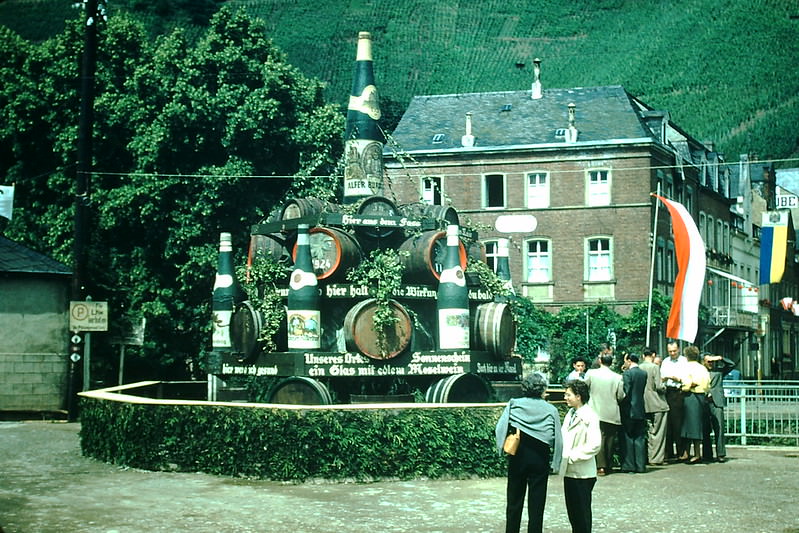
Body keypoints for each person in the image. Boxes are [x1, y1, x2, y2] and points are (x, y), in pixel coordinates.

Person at [495, 373, 563, 533]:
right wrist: (556, 462)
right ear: (542, 389)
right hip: (540, 456)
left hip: (518, 455)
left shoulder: (514, 404)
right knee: (537, 503)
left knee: (514, 501)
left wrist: (500, 449)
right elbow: (557, 438)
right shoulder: (551, 409)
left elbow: (500, 428)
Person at [560, 379, 601, 533]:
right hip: (569, 471)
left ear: (579, 396)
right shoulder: (570, 414)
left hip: (583, 473)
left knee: (582, 515)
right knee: (573, 514)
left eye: (568, 394)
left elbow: (595, 444)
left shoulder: (590, 416)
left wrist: (572, 456)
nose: (565, 397)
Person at [583, 353, 624, 475]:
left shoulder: (591, 373)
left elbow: (584, 388)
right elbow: (620, 395)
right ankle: (609, 464)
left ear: (600, 360)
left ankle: (600, 466)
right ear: (611, 362)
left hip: (595, 410)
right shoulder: (617, 377)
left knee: (598, 438)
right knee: (610, 439)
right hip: (612, 411)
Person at [679, 345, 709, 464]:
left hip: (690, 396)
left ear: (686, 356)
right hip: (701, 396)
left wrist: (686, 387)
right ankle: (693, 453)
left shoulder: (686, 367)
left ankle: (694, 453)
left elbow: (686, 383)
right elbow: (707, 384)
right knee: (695, 424)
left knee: (689, 425)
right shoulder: (702, 368)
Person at [640, 347, 669, 465]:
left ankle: (648, 456)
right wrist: (665, 386)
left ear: (642, 356)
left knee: (649, 431)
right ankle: (656, 458)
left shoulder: (639, 367)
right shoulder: (655, 367)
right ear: (653, 355)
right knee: (659, 433)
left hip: (644, 404)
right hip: (657, 403)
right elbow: (658, 386)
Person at [703, 354, 735, 462]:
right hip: (704, 402)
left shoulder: (719, 371)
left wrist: (720, 358)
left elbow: (732, 364)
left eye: (712, 362)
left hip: (716, 402)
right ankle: (707, 454)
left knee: (719, 428)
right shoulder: (700, 371)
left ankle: (720, 454)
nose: (710, 364)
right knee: (705, 429)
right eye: (708, 361)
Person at [620, 353, 648, 473]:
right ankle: (641, 465)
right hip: (640, 408)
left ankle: (629, 465)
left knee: (628, 437)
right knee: (640, 437)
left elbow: (626, 391)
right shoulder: (643, 373)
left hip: (629, 409)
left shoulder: (627, 374)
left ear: (629, 361)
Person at [660, 341, 687, 461]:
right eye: (670, 351)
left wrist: (678, 379)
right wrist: (665, 378)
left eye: (674, 351)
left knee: (678, 423)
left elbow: (687, 376)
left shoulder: (684, 361)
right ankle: (668, 452)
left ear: (679, 349)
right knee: (668, 424)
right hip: (667, 392)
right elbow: (661, 376)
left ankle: (681, 451)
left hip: (679, 392)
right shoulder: (665, 361)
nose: (672, 353)